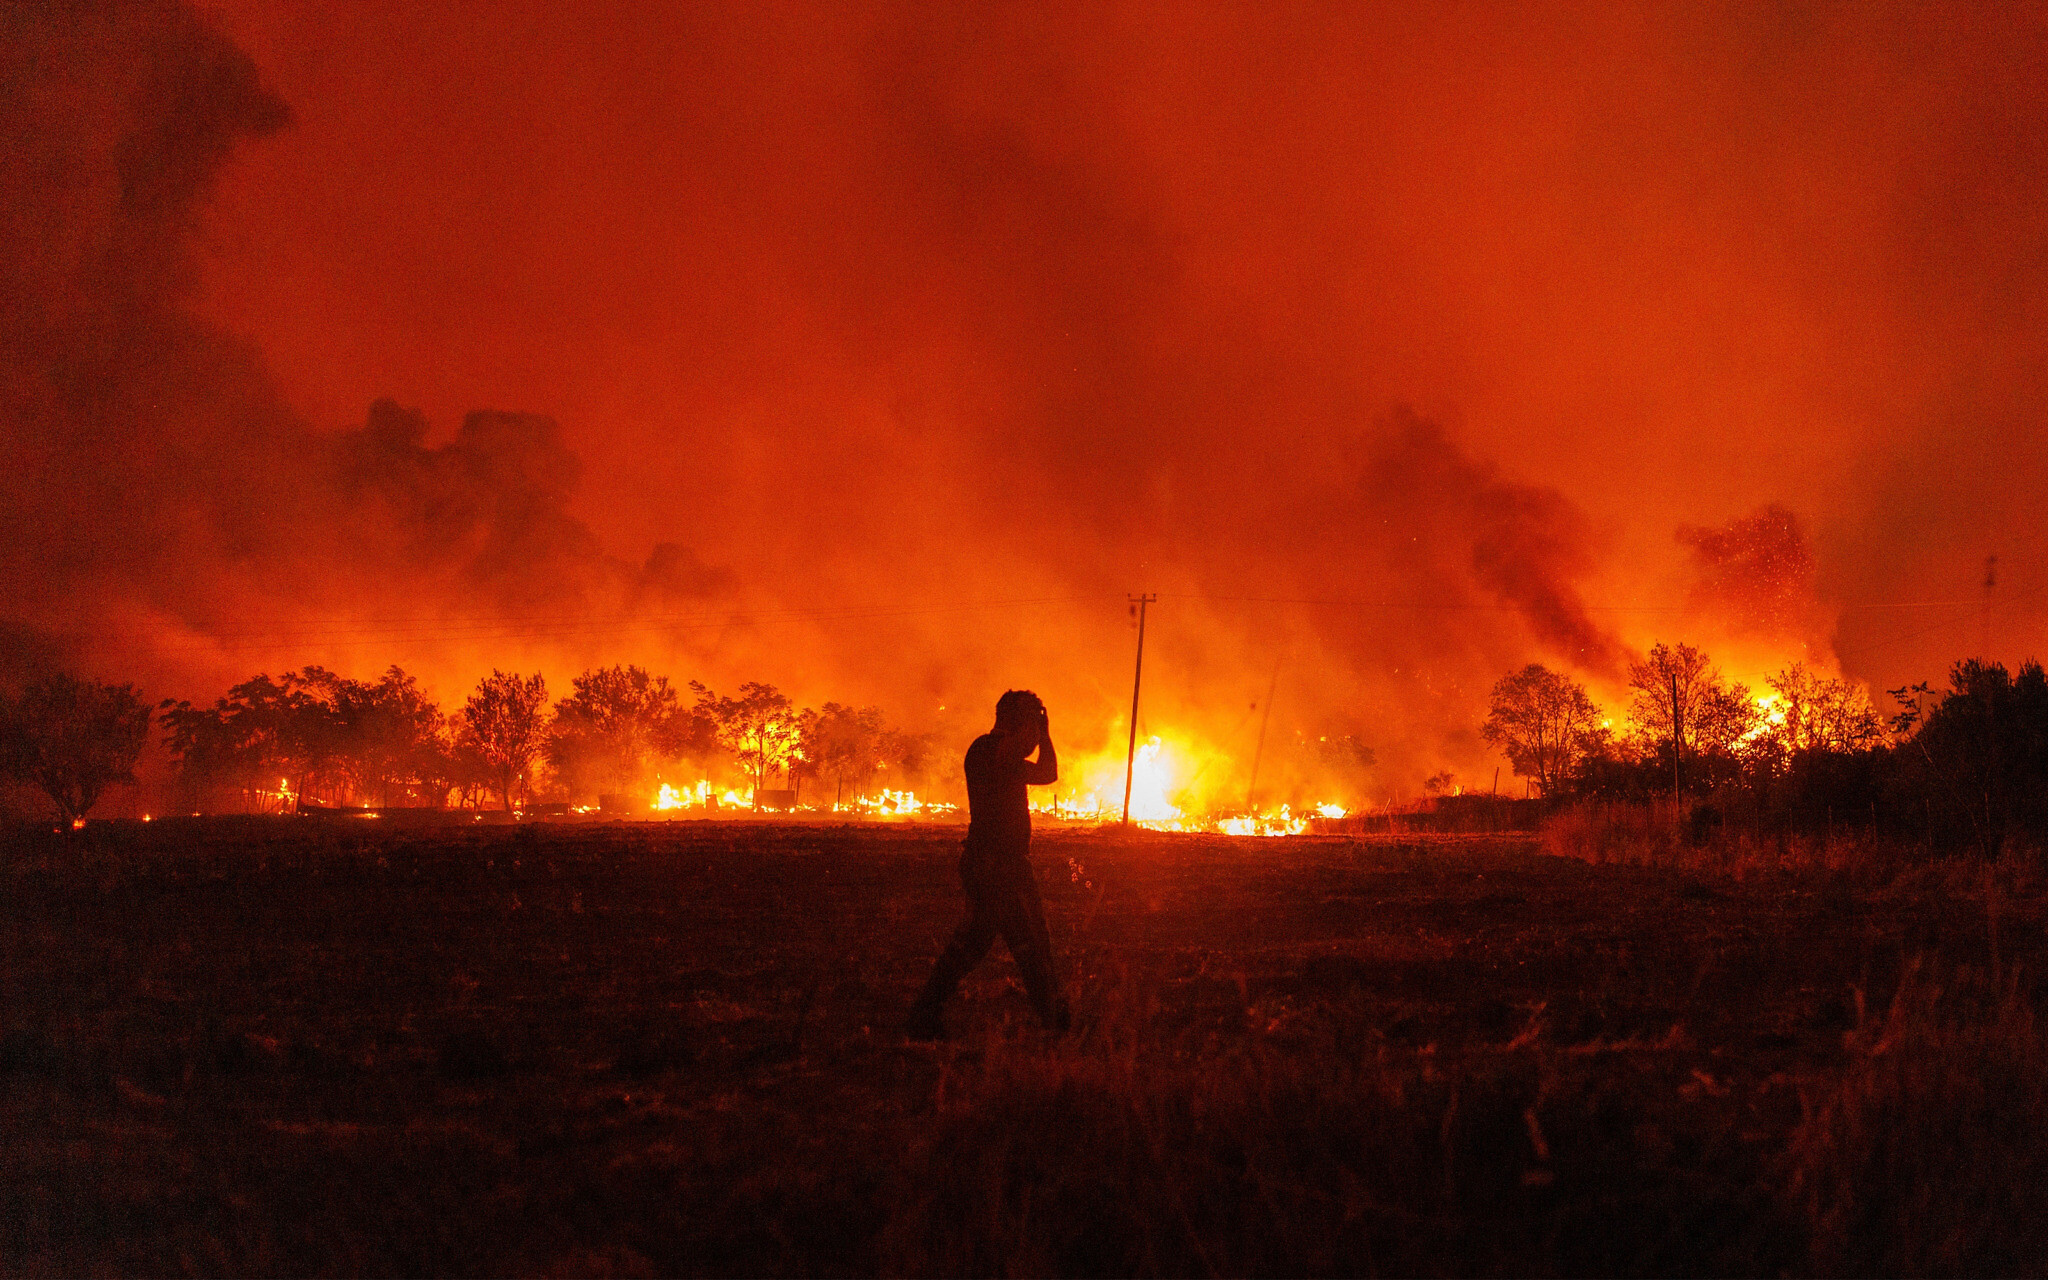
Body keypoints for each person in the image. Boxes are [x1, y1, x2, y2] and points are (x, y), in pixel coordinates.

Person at [907, 689, 1070, 1038]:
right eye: (1029, 726)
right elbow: (1045, 771)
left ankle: (924, 1013)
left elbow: (1047, 773)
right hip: (998, 866)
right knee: (1027, 941)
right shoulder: (989, 750)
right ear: (1016, 724)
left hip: (994, 863)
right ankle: (1055, 1019)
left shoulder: (994, 754)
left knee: (985, 943)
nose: (1033, 736)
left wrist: (1041, 733)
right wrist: (1040, 734)